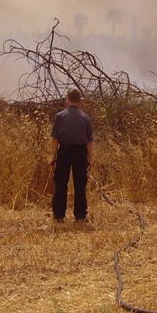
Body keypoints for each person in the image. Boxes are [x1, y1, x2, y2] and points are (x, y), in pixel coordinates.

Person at [51, 88, 93, 222]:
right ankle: (80, 216)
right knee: (80, 184)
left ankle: (59, 216)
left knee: (61, 183)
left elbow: (55, 139)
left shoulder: (60, 116)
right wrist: (90, 159)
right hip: (80, 152)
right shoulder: (85, 117)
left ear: (67, 99)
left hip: (64, 151)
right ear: (79, 101)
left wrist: (53, 157)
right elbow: (89, 141)